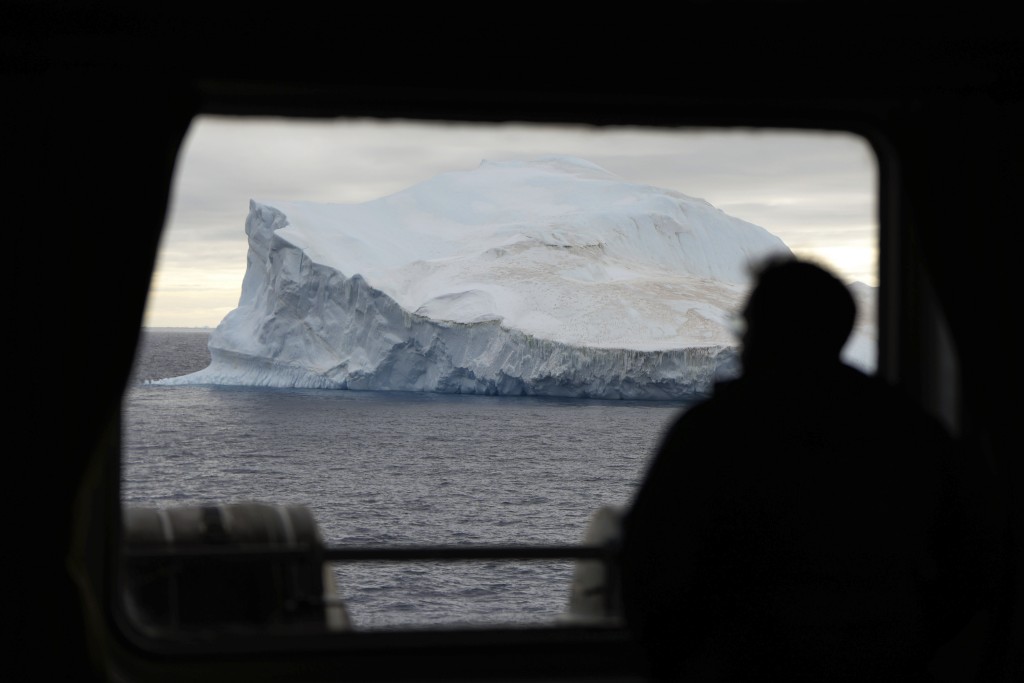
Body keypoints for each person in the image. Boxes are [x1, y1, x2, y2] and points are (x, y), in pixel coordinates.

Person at [620, 256, 1005, 682]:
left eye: (749, 326)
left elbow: (649, 559)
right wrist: (911, 640)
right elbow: (978, 551)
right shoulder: (906, 429)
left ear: (772, 332)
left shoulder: (714, 432)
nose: (743, 341)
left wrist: (686, 655)